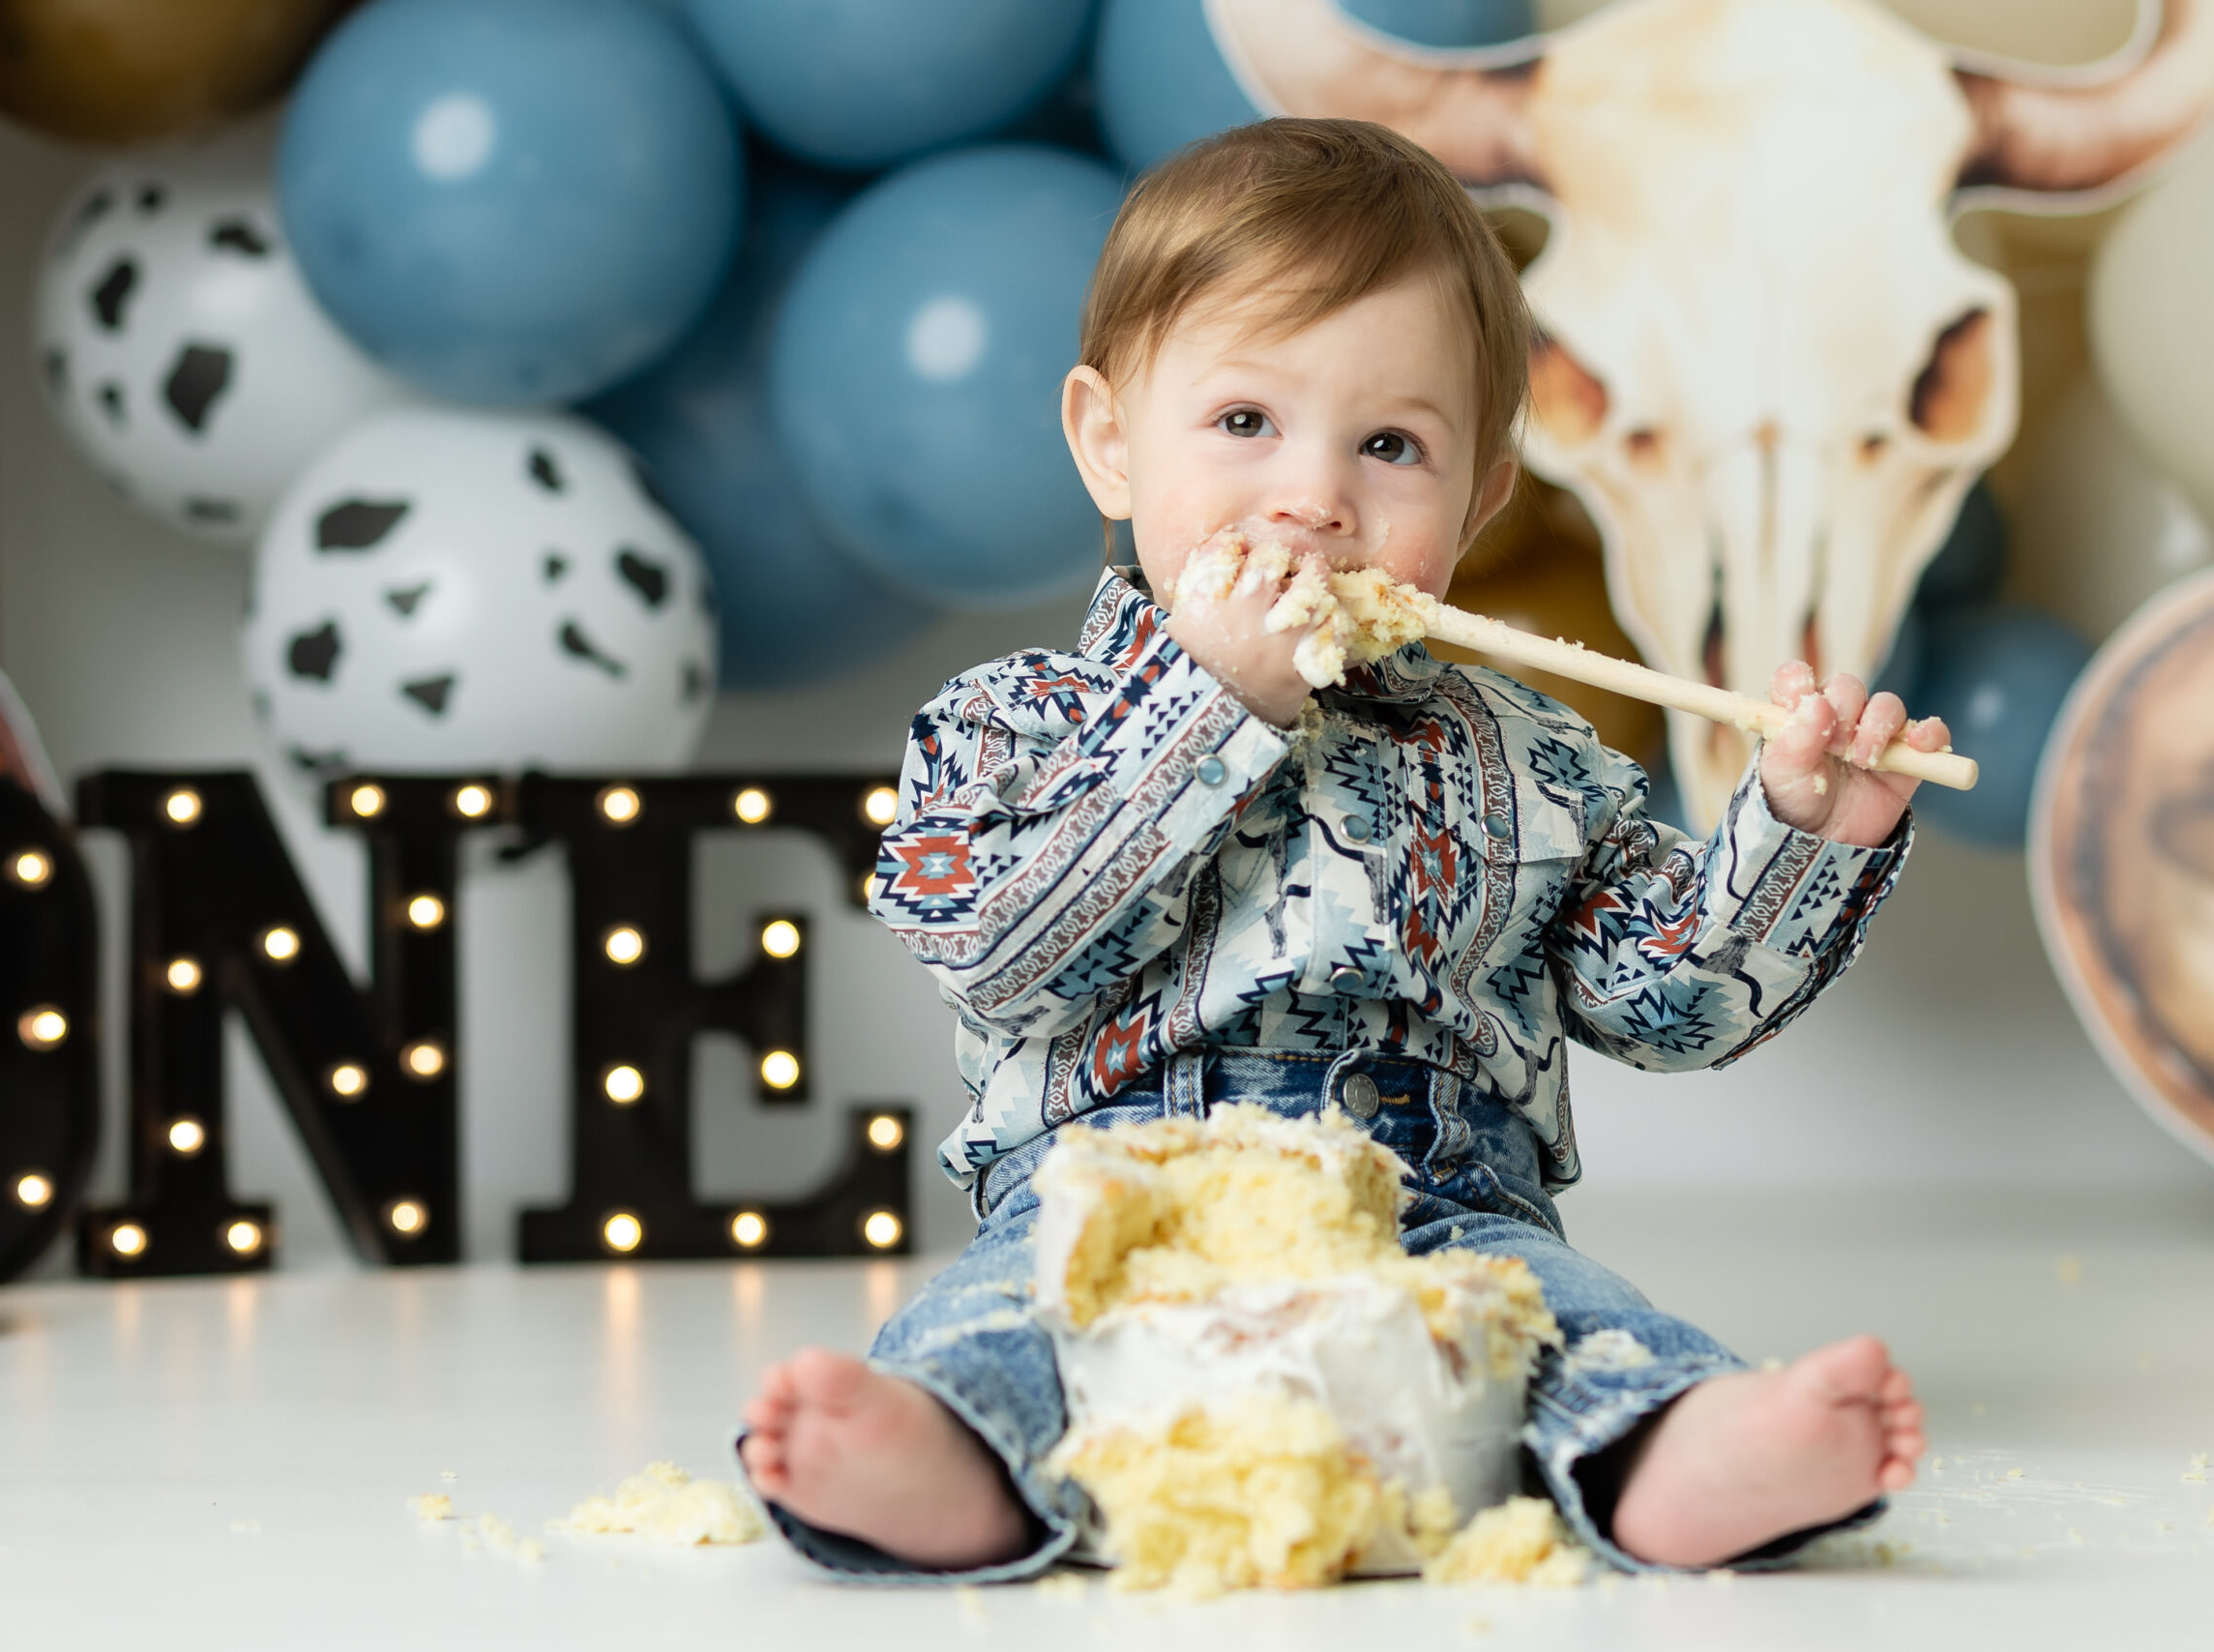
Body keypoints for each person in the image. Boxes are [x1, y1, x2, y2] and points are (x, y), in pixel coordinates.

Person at [741, 118, 1945, 1582]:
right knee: (1007, 1317)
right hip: (1119, 1198)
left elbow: (1670, 1006)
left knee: (1567, 1319)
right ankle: (957, 1467)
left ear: (1478, 503)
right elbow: (1000, 953)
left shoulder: (1537, 752)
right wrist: (1212, 702)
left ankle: (1673, 1455)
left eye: (1390, 446)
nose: (1314, 496)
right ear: (1110, 444)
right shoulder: (1010, 724)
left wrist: (1802, 836)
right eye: (1245, 423)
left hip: (1436, 1206)